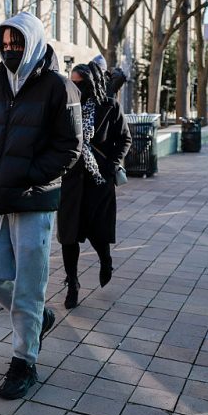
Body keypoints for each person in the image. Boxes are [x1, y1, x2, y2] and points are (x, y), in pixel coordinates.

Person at [0, 11, 82, 400]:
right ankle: (39, 319)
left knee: (28, 288)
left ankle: (24, 361)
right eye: (4, 44)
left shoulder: (58, 87)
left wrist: (28, 175)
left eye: (17, 43)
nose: (9, 50)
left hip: (34, 201)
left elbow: (70, 147)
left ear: (32, 42)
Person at [58, 63, 132, 309]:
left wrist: (111, 166)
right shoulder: (66, 108)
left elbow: (125, 138)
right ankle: (72, 283)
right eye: (72, 83)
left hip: (98, 181)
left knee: (96, 232)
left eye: (80, 83)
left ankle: (105, 260)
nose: (75, 88)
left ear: (92, 84)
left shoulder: (109, 106)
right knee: (68, 236)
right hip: (70, 181)